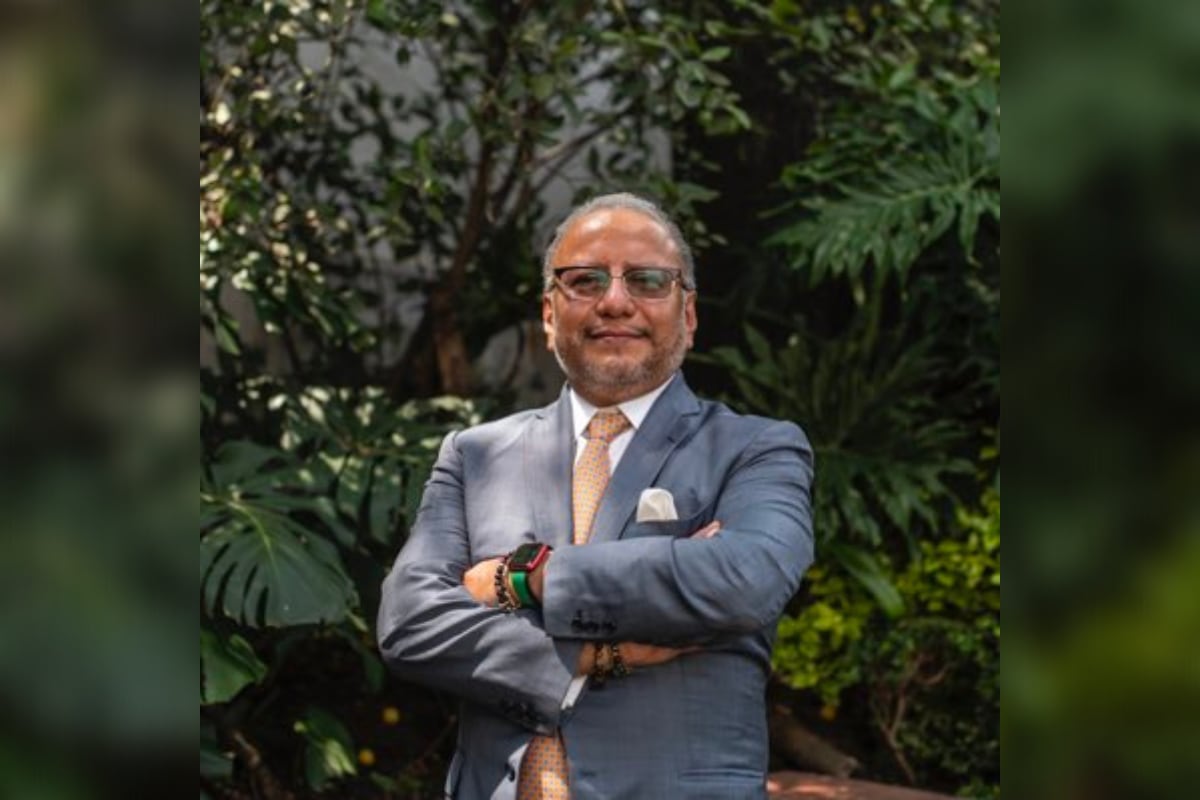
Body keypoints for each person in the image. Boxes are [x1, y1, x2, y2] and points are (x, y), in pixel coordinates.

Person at [377, 193, 814, 799]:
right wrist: (594, 656)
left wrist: (524, 578)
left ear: (688, 314)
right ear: (549, 314)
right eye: (585, 280)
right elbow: (409, 623)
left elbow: (746, 579)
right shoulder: (474, 455)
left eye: (648, 280)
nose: (614, 301)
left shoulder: (754, 449)